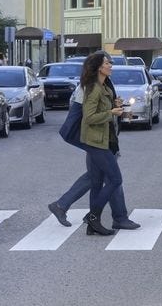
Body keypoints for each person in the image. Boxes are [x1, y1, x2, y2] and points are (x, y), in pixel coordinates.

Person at [48, 52, 140, 232]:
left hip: (101, 136)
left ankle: (72, 210)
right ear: (98, 66)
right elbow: (88, 115)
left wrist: (117, 107)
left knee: (96, 177)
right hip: (94, 137)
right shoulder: (90, 87)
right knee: (112, 177)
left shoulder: (104, 83)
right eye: (108, 62)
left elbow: (102, 107)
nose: (111, 65)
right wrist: (110, 112)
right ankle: (112, 217)